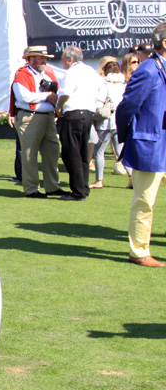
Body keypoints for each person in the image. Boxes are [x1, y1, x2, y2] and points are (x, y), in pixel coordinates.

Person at [116, 21, 166, 267]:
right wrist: (130, 139)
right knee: (144, 200)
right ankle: (139, 252)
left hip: (162, 143)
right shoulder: (148, 69)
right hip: (150, 144)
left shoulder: (160, 68)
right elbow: (127, 107)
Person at [11, 45, 62, 198]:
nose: (44, 61)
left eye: (46, 58)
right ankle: (32, 188)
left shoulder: (48, 73)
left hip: (48, 116)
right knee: (29, 154)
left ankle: (52, 186)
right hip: (30, 116)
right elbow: (23, 96)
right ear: (31, 59)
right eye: (41, 58)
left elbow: (57, 91)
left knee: (52, 152)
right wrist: (46, 96)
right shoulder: (22, 74)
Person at [54, 46, 104, 201]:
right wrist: (95, 104)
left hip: (73, 114)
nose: (62, 63)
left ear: (70, 59)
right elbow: (103, 89)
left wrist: (58, 106)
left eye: (63, 59)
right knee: (82, 153)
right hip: (87, 114)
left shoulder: (71, 72)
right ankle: (83, 187)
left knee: (71, 153)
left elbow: (65, 93)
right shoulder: (91, 71)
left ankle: (78, 191)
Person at [92, 60, 127, 188]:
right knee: (121, 152)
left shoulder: (104, 84)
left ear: (105, 71)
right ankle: (131, 178)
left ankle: (99, 180)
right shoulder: (124, 85)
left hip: (106, 122)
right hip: (120, 122)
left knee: (99, 152)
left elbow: (100, 102)